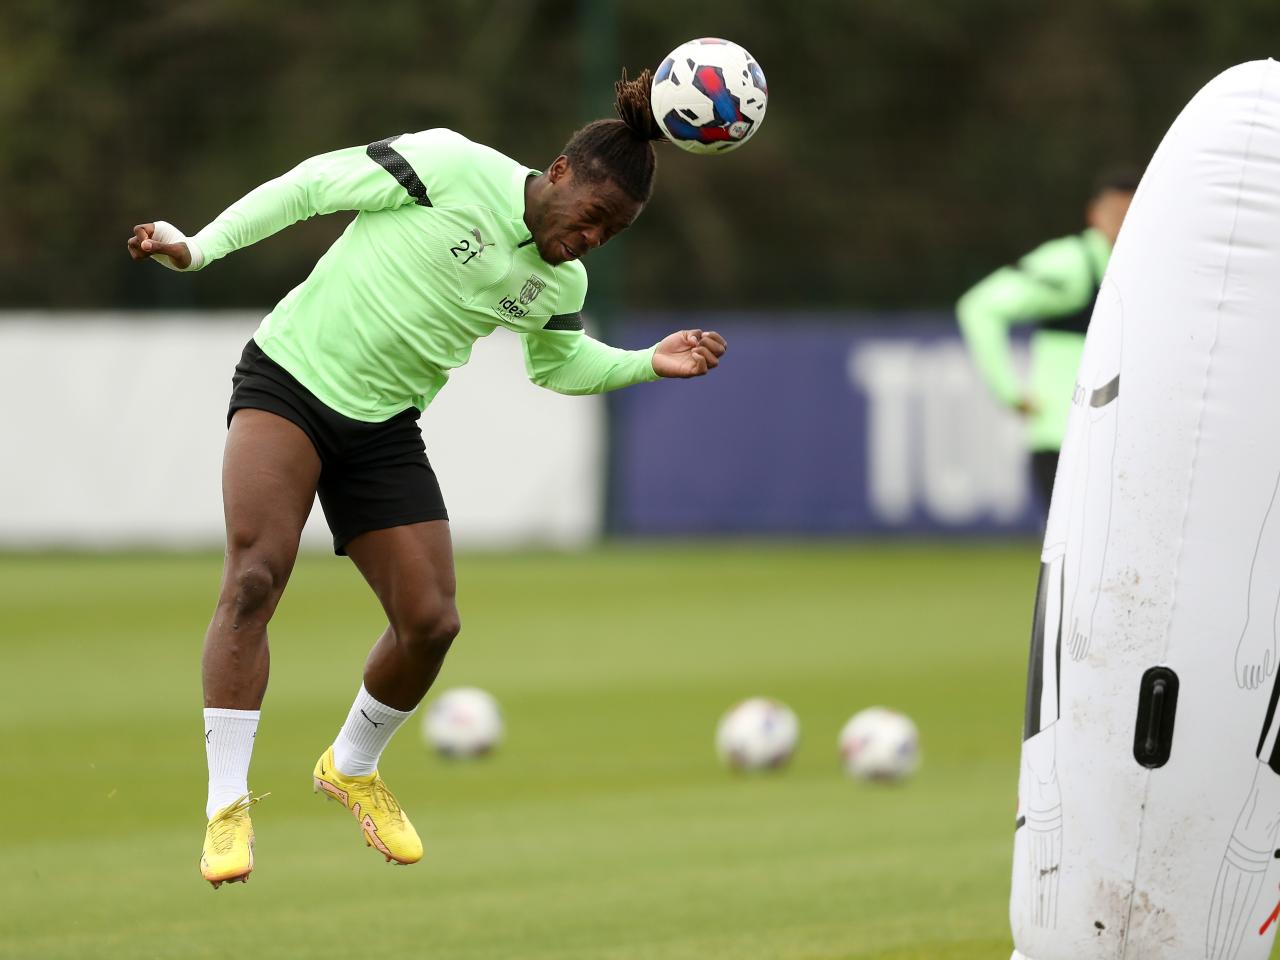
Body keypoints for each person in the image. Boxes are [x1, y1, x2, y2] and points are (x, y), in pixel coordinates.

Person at [126, 70, 728, 889]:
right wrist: (198, 247)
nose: (591, 241)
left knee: (432, 622)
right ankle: (226, 804)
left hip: (382, 431)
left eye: (611, 236)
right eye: (592, 219)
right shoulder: (448, 164)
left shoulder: (562, 281)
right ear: (558, 172)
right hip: (289, 381)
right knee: (257, 574)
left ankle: (352, 764)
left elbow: (557, 367)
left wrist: (646, 363)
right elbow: (310, 189)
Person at [956, 170, 1138, 510]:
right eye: (1116, 212)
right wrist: (1008, 390)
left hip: (1120, 437)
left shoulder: (1147, 267)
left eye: (1133, 211)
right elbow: (979, 307)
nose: (1124, 222)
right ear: (1094, 215)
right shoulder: (1071, 263)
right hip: (1064, 438)